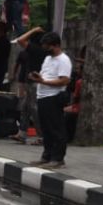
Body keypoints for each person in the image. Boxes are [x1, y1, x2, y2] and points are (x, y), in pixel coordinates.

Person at [29, 32, 71, 169]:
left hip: (54, 96)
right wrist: (38, 77)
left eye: (49, 46)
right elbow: (45, 75)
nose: (46, 48)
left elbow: (64, 80)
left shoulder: (63, 60)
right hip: (43, 96)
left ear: (57, 45)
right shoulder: (48, 59)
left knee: (56, 128)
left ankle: (58, 158)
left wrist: (44, 81)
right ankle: (47, 155)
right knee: (45, 129)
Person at [11, 26, 46, 144]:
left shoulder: (35, 48)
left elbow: (20, 40)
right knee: (25, 107)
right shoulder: (39, 49)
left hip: (35, 82)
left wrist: (33, 30)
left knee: (34, 109)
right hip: (31, 82)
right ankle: (22, 133)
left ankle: (42, 136)